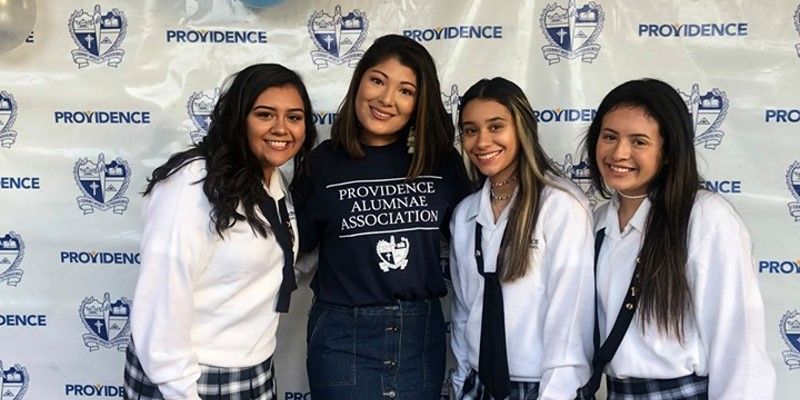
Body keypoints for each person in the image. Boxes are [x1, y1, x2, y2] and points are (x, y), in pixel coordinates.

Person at [292, 34, 471, 400]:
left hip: (419, 337)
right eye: (377, 80)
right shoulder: (321, 162)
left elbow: (479, 242)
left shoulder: (441, 162)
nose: (386, 99)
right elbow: (286, 250)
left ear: (419, 103)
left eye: (405, 90)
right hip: (342, 336)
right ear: (359, 80)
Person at [123, 63, 317, 400]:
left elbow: (273, 268)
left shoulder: (273, 180)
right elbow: (163, 295)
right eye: (265, 114)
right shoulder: (192, 183)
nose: (282, 128)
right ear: (238, 118)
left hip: (254, 371)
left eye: (294, 117)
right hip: (190, 378)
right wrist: (179, 388)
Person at [584, 78, 775, 399]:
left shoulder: (704, 217)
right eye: (610, 137)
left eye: (639, 142)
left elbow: (738, 347)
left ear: (669, 151)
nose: (619, 152)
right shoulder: (598, 221)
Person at [449, 77, 594, 400]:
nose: (482, 141)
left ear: (522, 128)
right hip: (478, 385)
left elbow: (570, 318)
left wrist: (555, 393)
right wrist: (461, 382)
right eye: (471, 130)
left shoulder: (560, 206)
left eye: (496, 126)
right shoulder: (465, 214)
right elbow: (463, 311)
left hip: (542, 387)